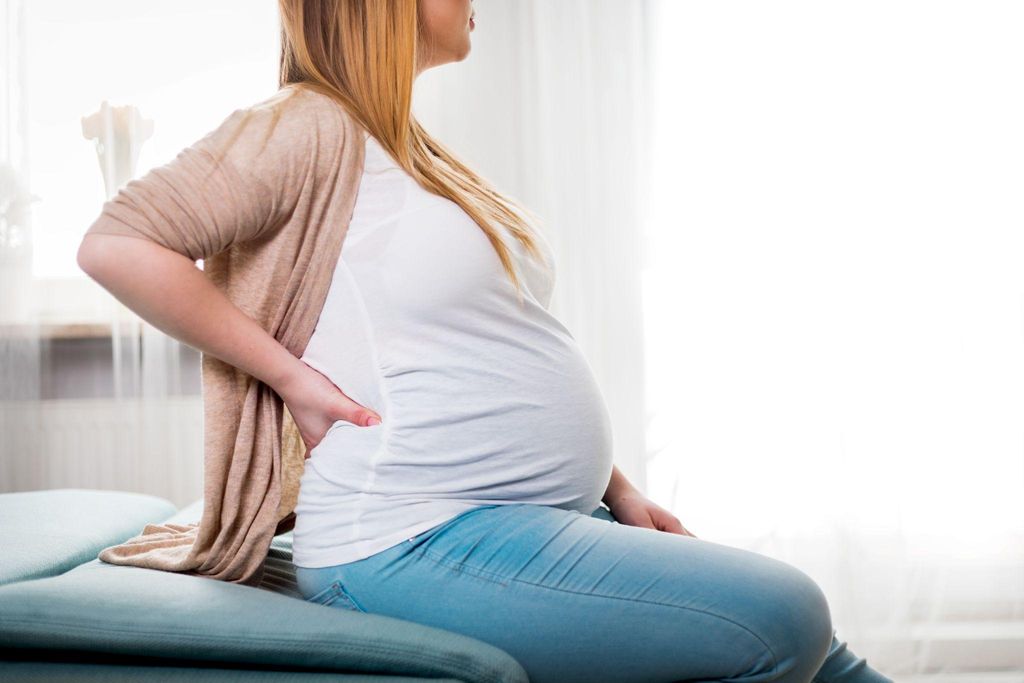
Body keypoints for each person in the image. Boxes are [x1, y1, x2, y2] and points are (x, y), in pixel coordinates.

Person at [82, 1, 896, 681]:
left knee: (833, 662)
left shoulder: (408, 146)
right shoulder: (306, 124)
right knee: (785, 615)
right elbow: (118, 244)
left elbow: (487, 338)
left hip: (511, 517)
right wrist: (291, 378)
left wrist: (614, 487)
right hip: (409, 535)